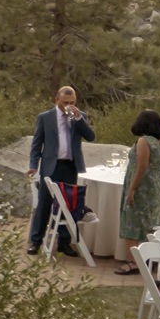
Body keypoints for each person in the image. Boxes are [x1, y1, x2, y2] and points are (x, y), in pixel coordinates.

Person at [27, 86, 96, 255]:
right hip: (51, 165)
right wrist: (33, 165)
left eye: (72, 102)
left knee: (68, 204)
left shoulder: (80, 116)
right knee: (44, 204)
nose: (69, 106)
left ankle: (64, 242)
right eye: (65, 102)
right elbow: (37, 144)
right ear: (57, 100)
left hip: (70, 166)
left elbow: (91, 137)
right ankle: (36, 241)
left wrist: (79, 118)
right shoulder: (45, 117)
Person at [116, 109, 160, 274]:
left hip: (143, 186)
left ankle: (133, 262)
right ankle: (149, 258)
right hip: (157, 184)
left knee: (132, 222)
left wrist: (132, 188)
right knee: (150, 223)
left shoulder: (144, 141)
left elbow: (142, 166)